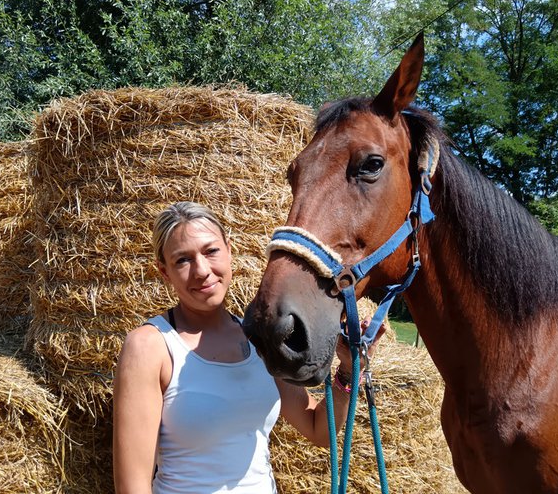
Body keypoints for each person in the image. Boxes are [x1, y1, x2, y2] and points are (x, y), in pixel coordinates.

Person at [113, 201, 385, 494]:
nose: (202, 270)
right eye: (182, 260)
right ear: (164, 272)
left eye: (210, 251)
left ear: (229, 250)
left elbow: (319, 429)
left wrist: (347, 368)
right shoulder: (150, 347)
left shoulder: (259, 336)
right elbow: (133, 487)